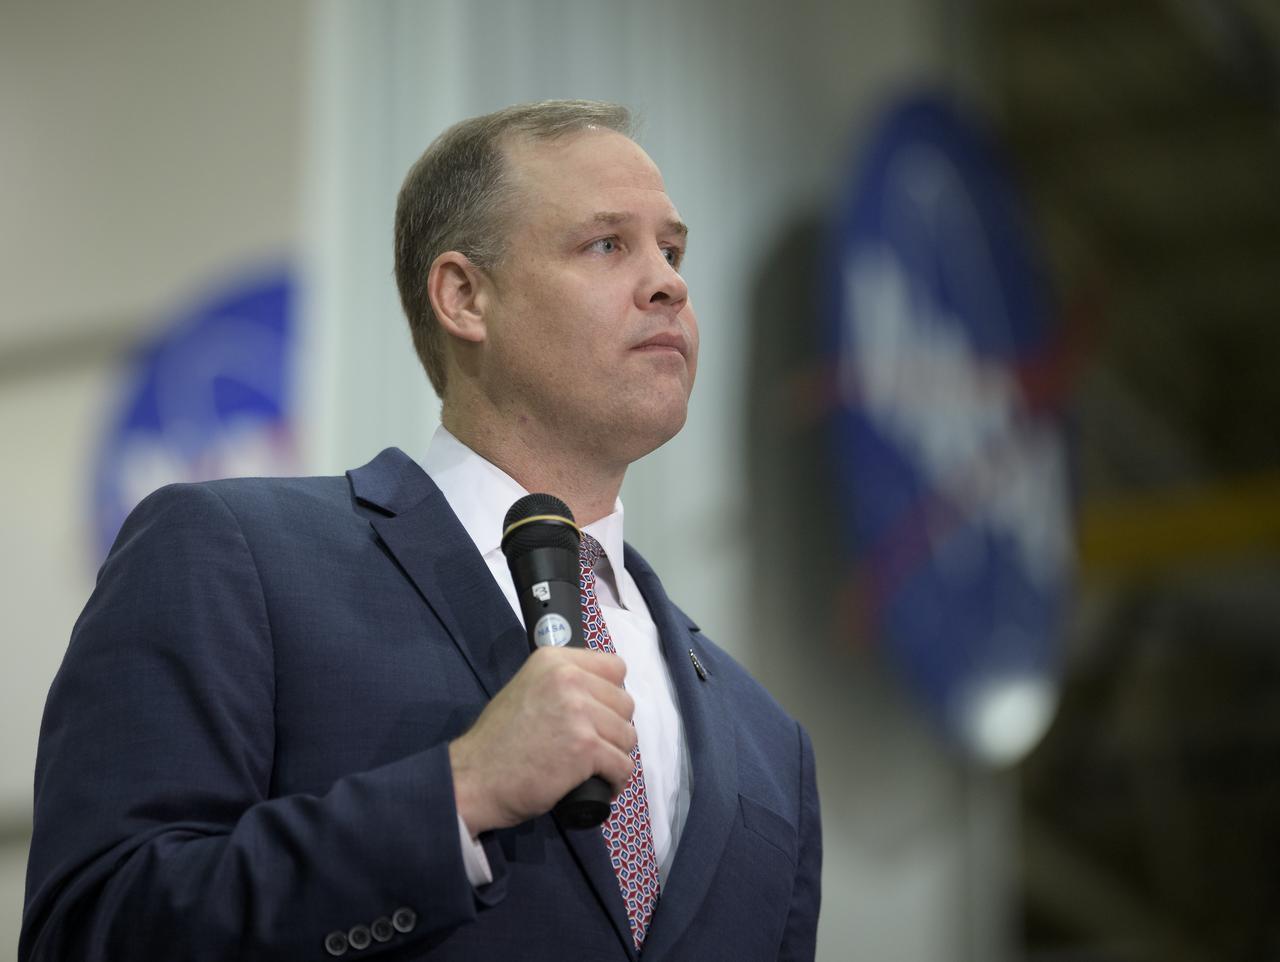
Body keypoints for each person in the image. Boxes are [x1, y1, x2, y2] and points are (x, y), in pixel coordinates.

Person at [22, 100, 821, 962]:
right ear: (464, 296)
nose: (669, 282)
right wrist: (460, 790)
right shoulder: (234, 555)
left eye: (672, 249)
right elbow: (96, 930)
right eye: (606, 244)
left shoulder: (768, 741)